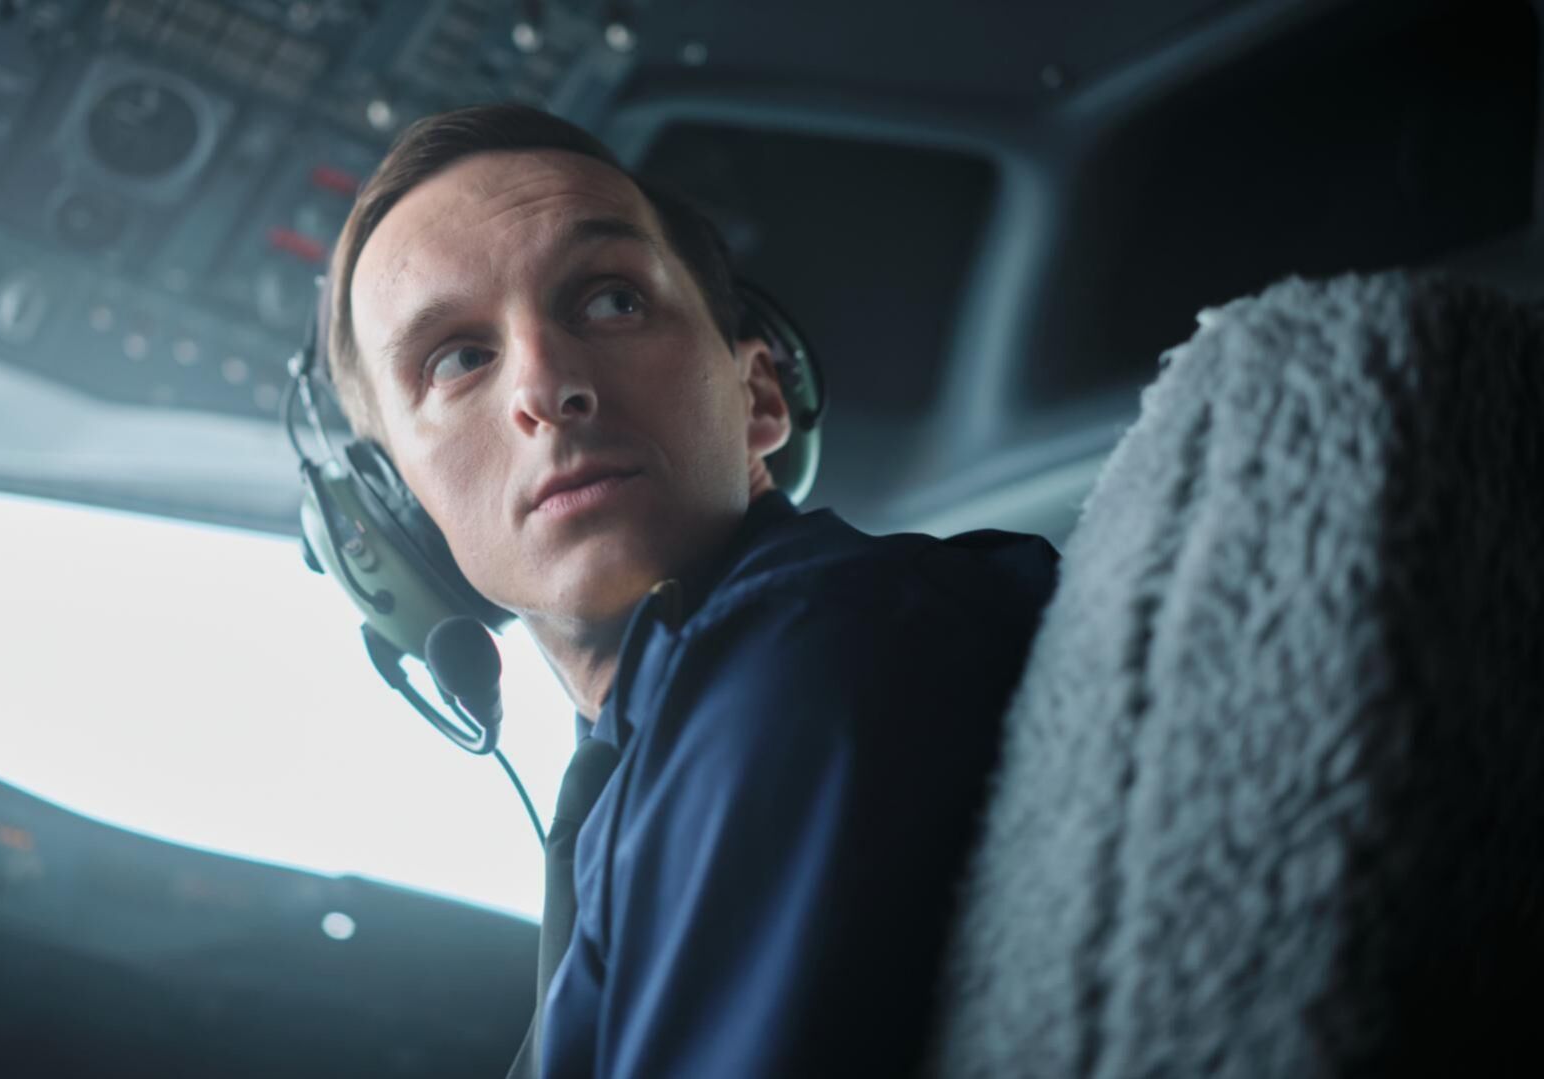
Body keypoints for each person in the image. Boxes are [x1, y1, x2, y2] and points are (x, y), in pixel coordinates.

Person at [317, 103, 1059, 1077]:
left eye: (610, 301)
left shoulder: (805, 647)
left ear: (759, 396)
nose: (545, 386)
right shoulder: (661, 749)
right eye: (458, 358)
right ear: (403, 510)